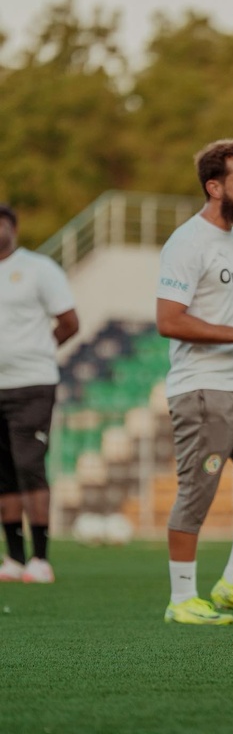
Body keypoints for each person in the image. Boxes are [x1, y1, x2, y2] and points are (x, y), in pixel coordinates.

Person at [156, 137, 233, 626]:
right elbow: (168, 319)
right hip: (202, 391)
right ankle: (182, 599)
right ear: (214, 186)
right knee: (196, 496)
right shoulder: (187, 243)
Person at [0, 203, 79, 584]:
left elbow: (69, 322)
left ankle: (41, 559)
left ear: (13, 226)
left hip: (32, 384)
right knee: (4, 475)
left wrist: (38, 353)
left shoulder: (38, 269)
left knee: (30, 467)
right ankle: (14, 559)